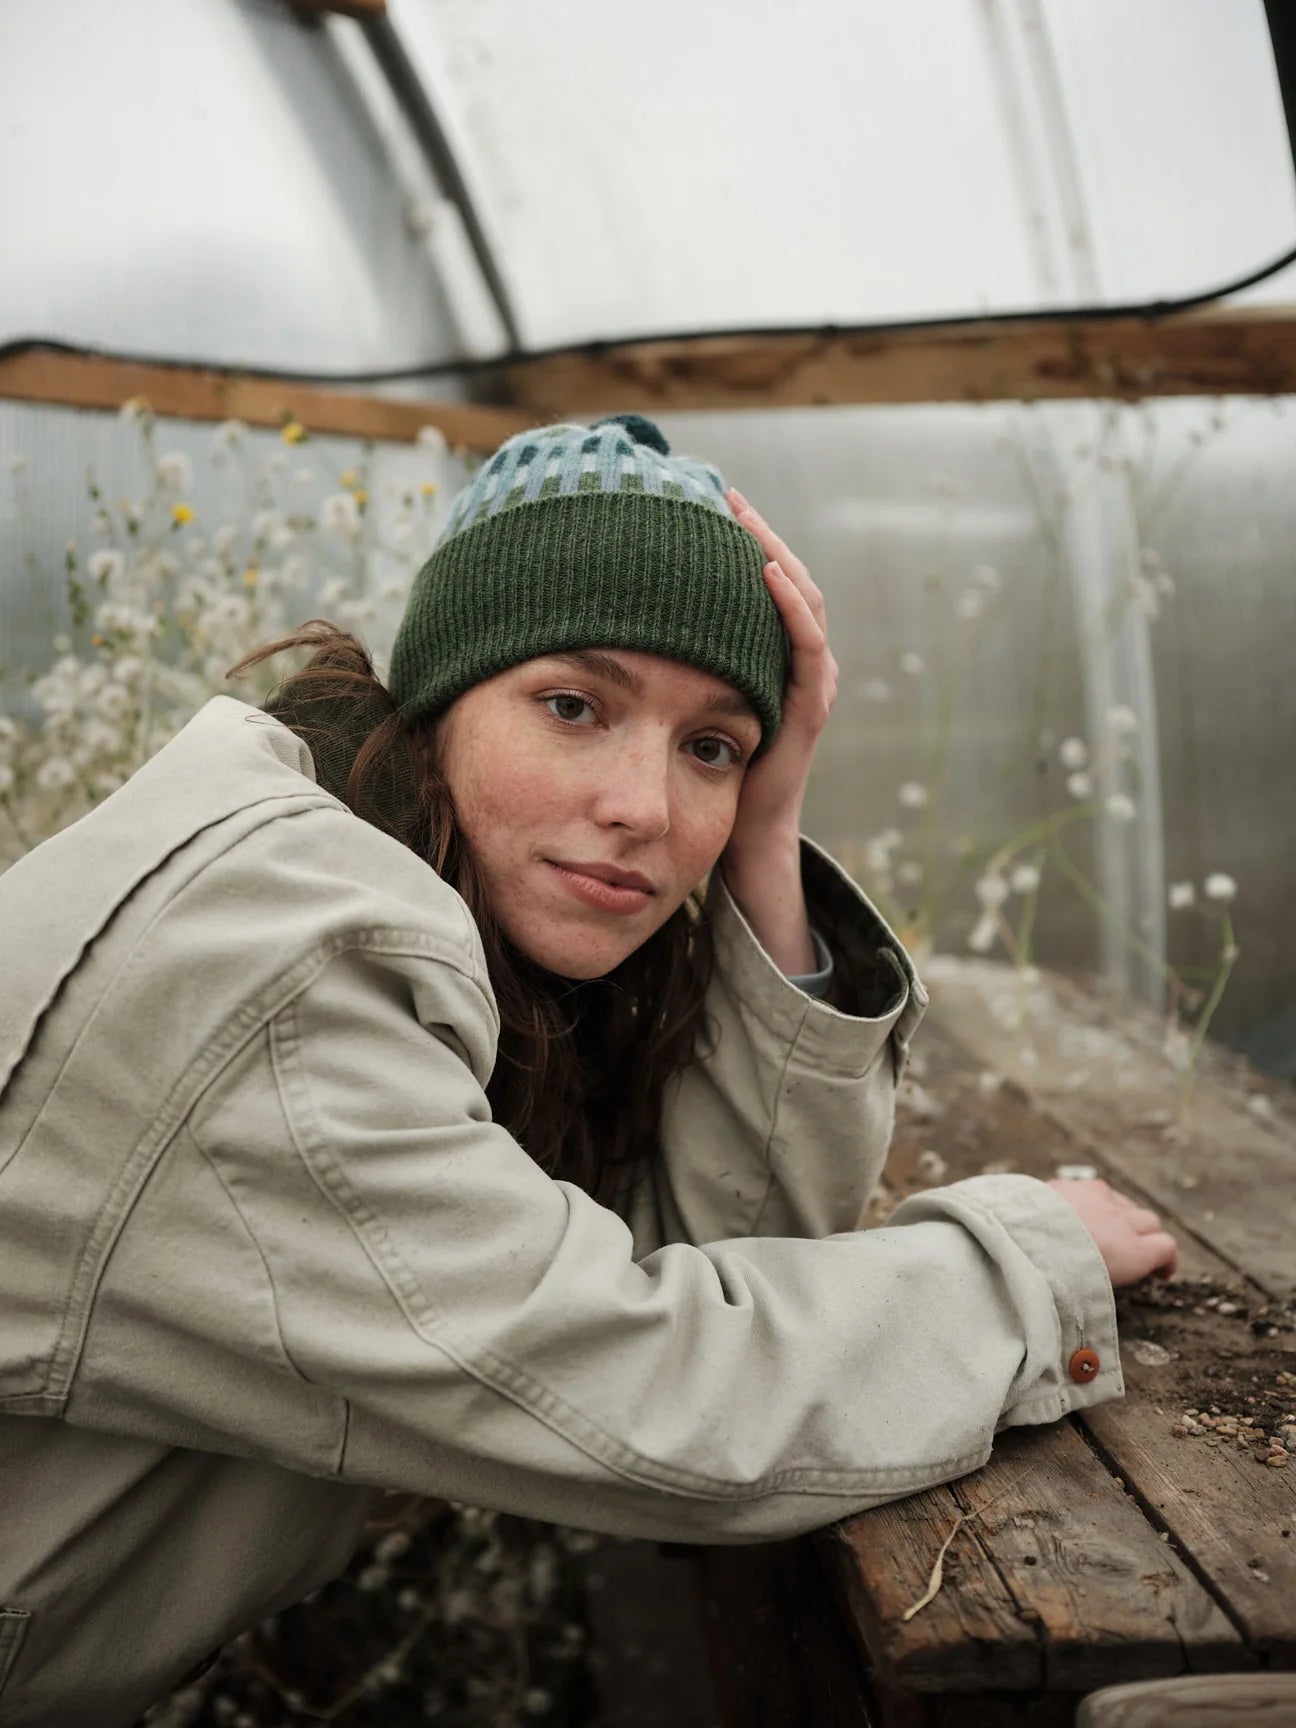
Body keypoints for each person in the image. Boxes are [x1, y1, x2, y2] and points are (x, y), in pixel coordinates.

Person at [0, 414, 1177, 1727]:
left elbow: (723, 1250)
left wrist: (767, 832)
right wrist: (1027, 1265)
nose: (646, 808)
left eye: (711, 747)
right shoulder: (280, 979)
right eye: (573, 706)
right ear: (441, 702)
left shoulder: (417, 906)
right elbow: (658, 1403)